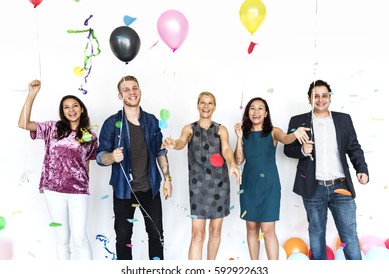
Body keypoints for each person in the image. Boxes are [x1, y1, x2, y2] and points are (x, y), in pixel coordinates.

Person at [283, 79, 369, 260]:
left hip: (341, 186)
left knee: (350, 235)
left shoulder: (343, 119)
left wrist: (362, 169)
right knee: (316, 234)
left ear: (329, 97)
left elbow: (353, 147)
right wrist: (301, 150)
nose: (320, 99)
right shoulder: (298, 121)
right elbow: (287, 149)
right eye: (316, 96)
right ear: (309, 99)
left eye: (324, 95)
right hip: (313, 188)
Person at [17, 79, 98, 260]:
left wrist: (84, 186)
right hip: (53, 190)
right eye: (66, 107)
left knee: (80, 239)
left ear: (81, 108)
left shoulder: (90, 136)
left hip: (78, 191)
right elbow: (23, 123)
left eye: (75, 106)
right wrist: (32, 94)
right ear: (62, 112)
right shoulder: (52, 128)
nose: (71, 110)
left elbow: (88, 164)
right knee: (61, 238)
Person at [96, 75, 172, 260]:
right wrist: (112, 157)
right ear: (120, 95)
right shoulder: (111, 123)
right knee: (123, 238)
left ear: (140, 91)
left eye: (135, 88)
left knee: (156, 235)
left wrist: (168, 179)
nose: (132, 92)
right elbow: (100, 157)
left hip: (150, 188)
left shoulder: (152, 121)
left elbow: (160, 152)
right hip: (124, 191)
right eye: (126, 89)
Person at [162, 91, 241, 260]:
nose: (206, 106)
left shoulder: (221, 129)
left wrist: (232, 164)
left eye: (210, 103)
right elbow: (181, 142)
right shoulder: (189, 128)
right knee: (197, 235)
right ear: (198, 105)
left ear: (214, 107)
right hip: (198, 188)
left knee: (215, 231)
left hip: (220, 185)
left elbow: (226, 149)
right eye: (203, 103)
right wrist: (173, 143)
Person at [233, 97, 310, 260]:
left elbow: (286, 138)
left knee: (268, 231)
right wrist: (239, 138)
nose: (256, 112)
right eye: (252, 108)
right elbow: (238, 160)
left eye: (260, 108)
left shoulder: (273, 132)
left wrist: (295, 134)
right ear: (248, 112)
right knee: (251, 228)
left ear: (266, 113)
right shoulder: (244, 134)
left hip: (269, 186)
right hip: (248, 185)